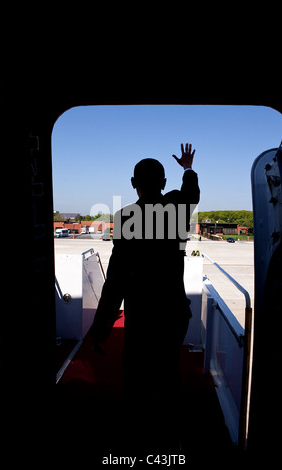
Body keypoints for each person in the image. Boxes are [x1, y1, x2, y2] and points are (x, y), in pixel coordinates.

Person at [89, 143, 200, 451]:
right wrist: (187, 168)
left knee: (135, 375)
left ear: (133, 184)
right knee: (168, 372)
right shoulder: (176, 206)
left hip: (141, 314)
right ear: (164, 184)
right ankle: (171, 437)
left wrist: (102, 325)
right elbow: (191, 194)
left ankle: (137, 438)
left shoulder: (126, 218)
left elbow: (116, 279)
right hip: (174, 312)